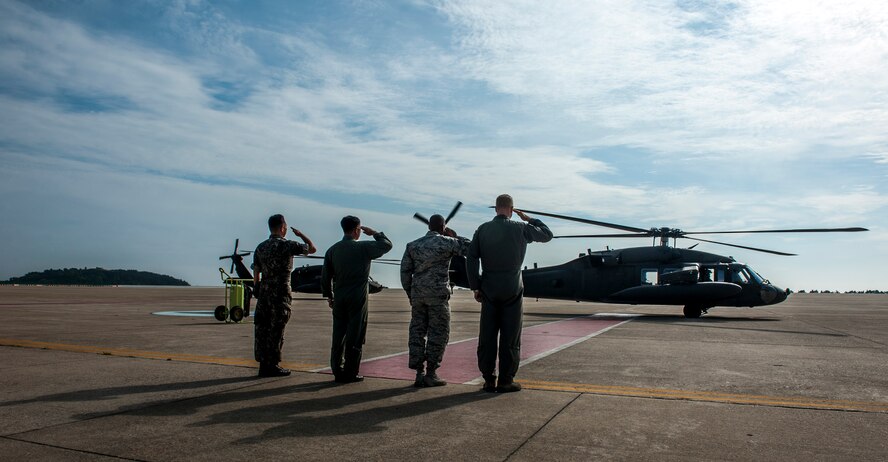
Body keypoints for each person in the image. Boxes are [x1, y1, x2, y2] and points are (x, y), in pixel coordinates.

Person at [466, 194, 552, 392]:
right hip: (512, 289)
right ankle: (506, 380)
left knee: (487, 335)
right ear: (512, 210)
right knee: (510, 336)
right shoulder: (521, 228)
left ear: (496, 209)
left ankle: (488, 379)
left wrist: (475, 286)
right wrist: (529, 219)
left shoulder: (482, 229)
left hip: (488, 288)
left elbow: (471, 258)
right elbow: (547, 235)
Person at [401, 214, 471, 387]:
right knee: (438, 333)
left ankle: (419, 373)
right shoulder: (447, 242)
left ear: (429, 227)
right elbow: (470, 248)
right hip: (438, 295)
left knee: (417, 331)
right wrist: (454, 236)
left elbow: (404, 272)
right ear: (443, 227)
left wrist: (411, 293)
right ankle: (431, 373)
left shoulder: (413, 245)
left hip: (418, 295)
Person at [321, 215, 393, 383]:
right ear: (356, 230)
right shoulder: (363, 248)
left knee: (338, 334)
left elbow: (325, 277)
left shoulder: (332, 250)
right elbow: (387, 245)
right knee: (355, 334)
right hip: (357, 298)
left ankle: (337, 370)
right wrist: (375, 233)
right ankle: (351, 372)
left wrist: (328, 296)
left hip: (339, 297)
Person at [252, 214, 317, 377]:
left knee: (262, 328)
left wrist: (256, 286)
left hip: (264, 291)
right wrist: (301, 235)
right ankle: (272, 365)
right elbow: (312, 249)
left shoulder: (260, 247)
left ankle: (263, 364)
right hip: (280, 292)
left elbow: (256, 269)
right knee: (277, 328)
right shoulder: (288, 245)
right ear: (282, 228)